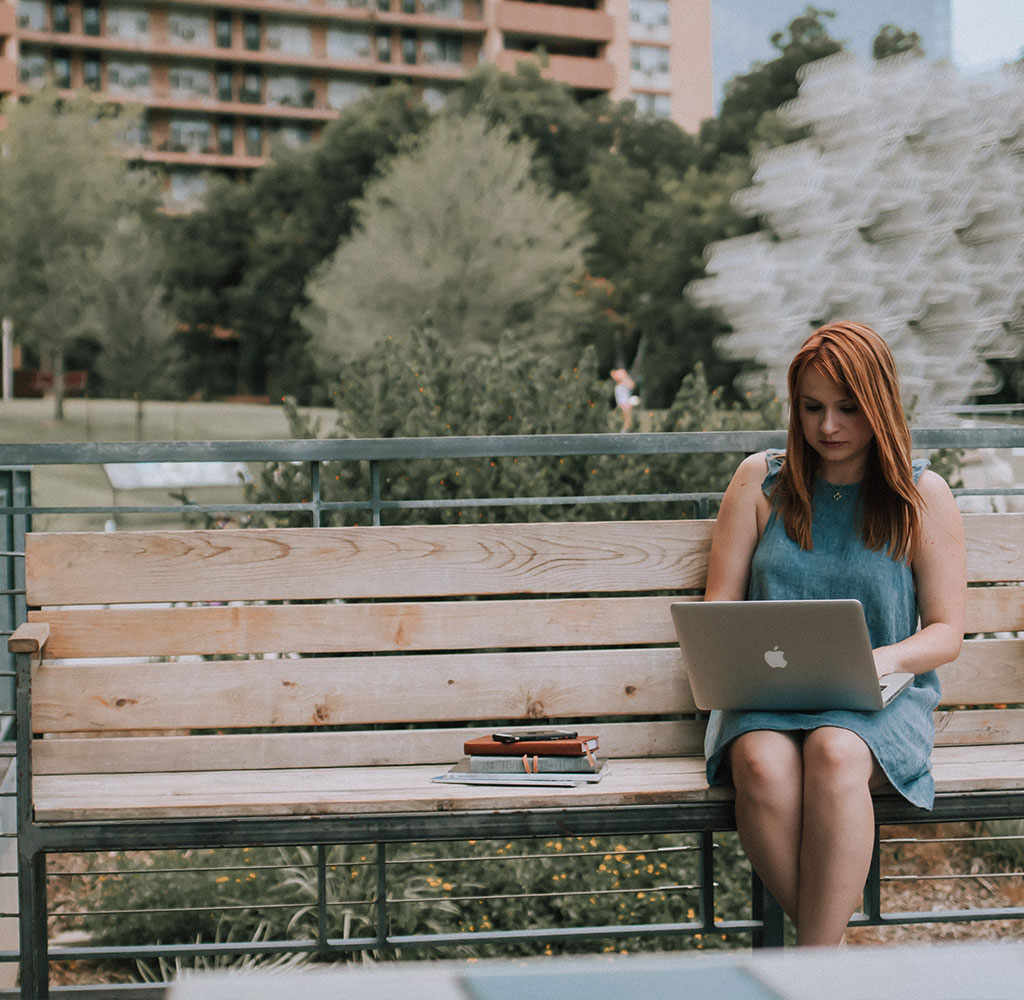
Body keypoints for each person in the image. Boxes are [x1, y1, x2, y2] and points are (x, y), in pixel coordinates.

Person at [703, 321, 966, 946]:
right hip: (764, 699)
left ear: (881, 404)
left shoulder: (920, 495)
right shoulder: (759, 483)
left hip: (878, 701)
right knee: (762, 767)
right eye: (812, 408)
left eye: (848, 409)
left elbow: (947, 631)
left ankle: (813, 972)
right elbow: (718, 610)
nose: (828, 428)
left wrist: (877, 658)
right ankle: (829, 968)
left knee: (834, 750)